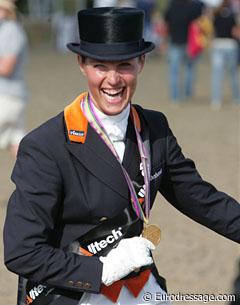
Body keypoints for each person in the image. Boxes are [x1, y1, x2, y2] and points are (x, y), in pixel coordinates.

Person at [3, 6, 240, 305]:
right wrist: (101, 270)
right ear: (81, 64)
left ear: (141, 62)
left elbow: (201, 199)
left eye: (124, 65)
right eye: (100, 66)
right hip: (72, 289)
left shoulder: (155, 128)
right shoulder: (45, 145)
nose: (113, 79)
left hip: (140, 284)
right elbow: (22, 251)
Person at [0, 0, 28, 157]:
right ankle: (31, 180)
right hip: (12, 97)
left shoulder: (10, 30)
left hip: (6, 97)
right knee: (17, 142)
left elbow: (6, 68)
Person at [164, 0, 204, 103]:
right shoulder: (193, 7)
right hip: (189, 43)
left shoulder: (171, 6)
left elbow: (166, 22)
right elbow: (199, 20)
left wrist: (165, 39)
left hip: (174, 41)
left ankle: (175, 97)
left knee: (174, 72)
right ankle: (187, 94)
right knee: (189, 69)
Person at [211, 0, 240, 109]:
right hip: (230, 45)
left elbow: (213, 30)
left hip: (218, 45)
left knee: (217, 75)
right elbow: (235, 32)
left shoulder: (216, 15)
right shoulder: (232, 15)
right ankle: (236, 98)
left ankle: (216, 100)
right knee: (232, 73)